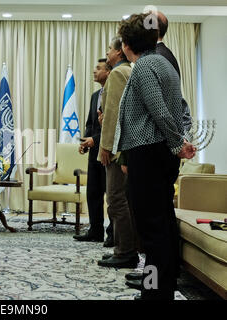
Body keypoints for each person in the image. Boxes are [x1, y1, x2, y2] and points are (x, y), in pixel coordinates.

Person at [114, 13, 196, 300]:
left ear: (126, 43)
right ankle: (162, 289)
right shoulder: (163, 62)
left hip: (148, 153)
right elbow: (180, 107)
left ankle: (154, 294)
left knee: (150, 231)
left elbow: (159, 110)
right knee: (160, 224)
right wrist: (179, 141)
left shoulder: (146, 65)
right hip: (158, 153)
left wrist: (178, 144)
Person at [97, 37, 137, 269]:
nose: (107, 53)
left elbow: (114, 113)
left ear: (119, 52)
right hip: (123, 146)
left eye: (109, 49)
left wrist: (106, 146)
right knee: (119, 199)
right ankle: (123, 249)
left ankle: (126, 252)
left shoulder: (118, 74)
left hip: (117, 149)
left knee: (115, 199)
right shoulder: (126, 71)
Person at [74, 59, 113, 245]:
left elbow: (111, 124)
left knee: (112, 196)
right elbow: (91, 124)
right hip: (93, 153)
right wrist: (85, 141)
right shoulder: (95, 95)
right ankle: (95, 231)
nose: (94, 71)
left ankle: (113, 234)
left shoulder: (113, 93)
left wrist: (95, 140)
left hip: (109, 152)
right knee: (93, 193)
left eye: (98, 68)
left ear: (109, 72)